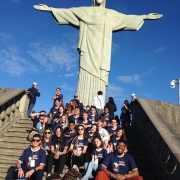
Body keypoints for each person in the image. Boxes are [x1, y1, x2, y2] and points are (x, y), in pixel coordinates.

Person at [34, 1, 162, 106]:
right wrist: (51, 9)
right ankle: (82, 105)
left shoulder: (110, 14)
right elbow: (69, 12)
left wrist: (144, 17)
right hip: (88, 49)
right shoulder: (85, 11)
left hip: (102, 53)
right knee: (85, 73)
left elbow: (127, 19)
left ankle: (96, 108)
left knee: (100, 76)